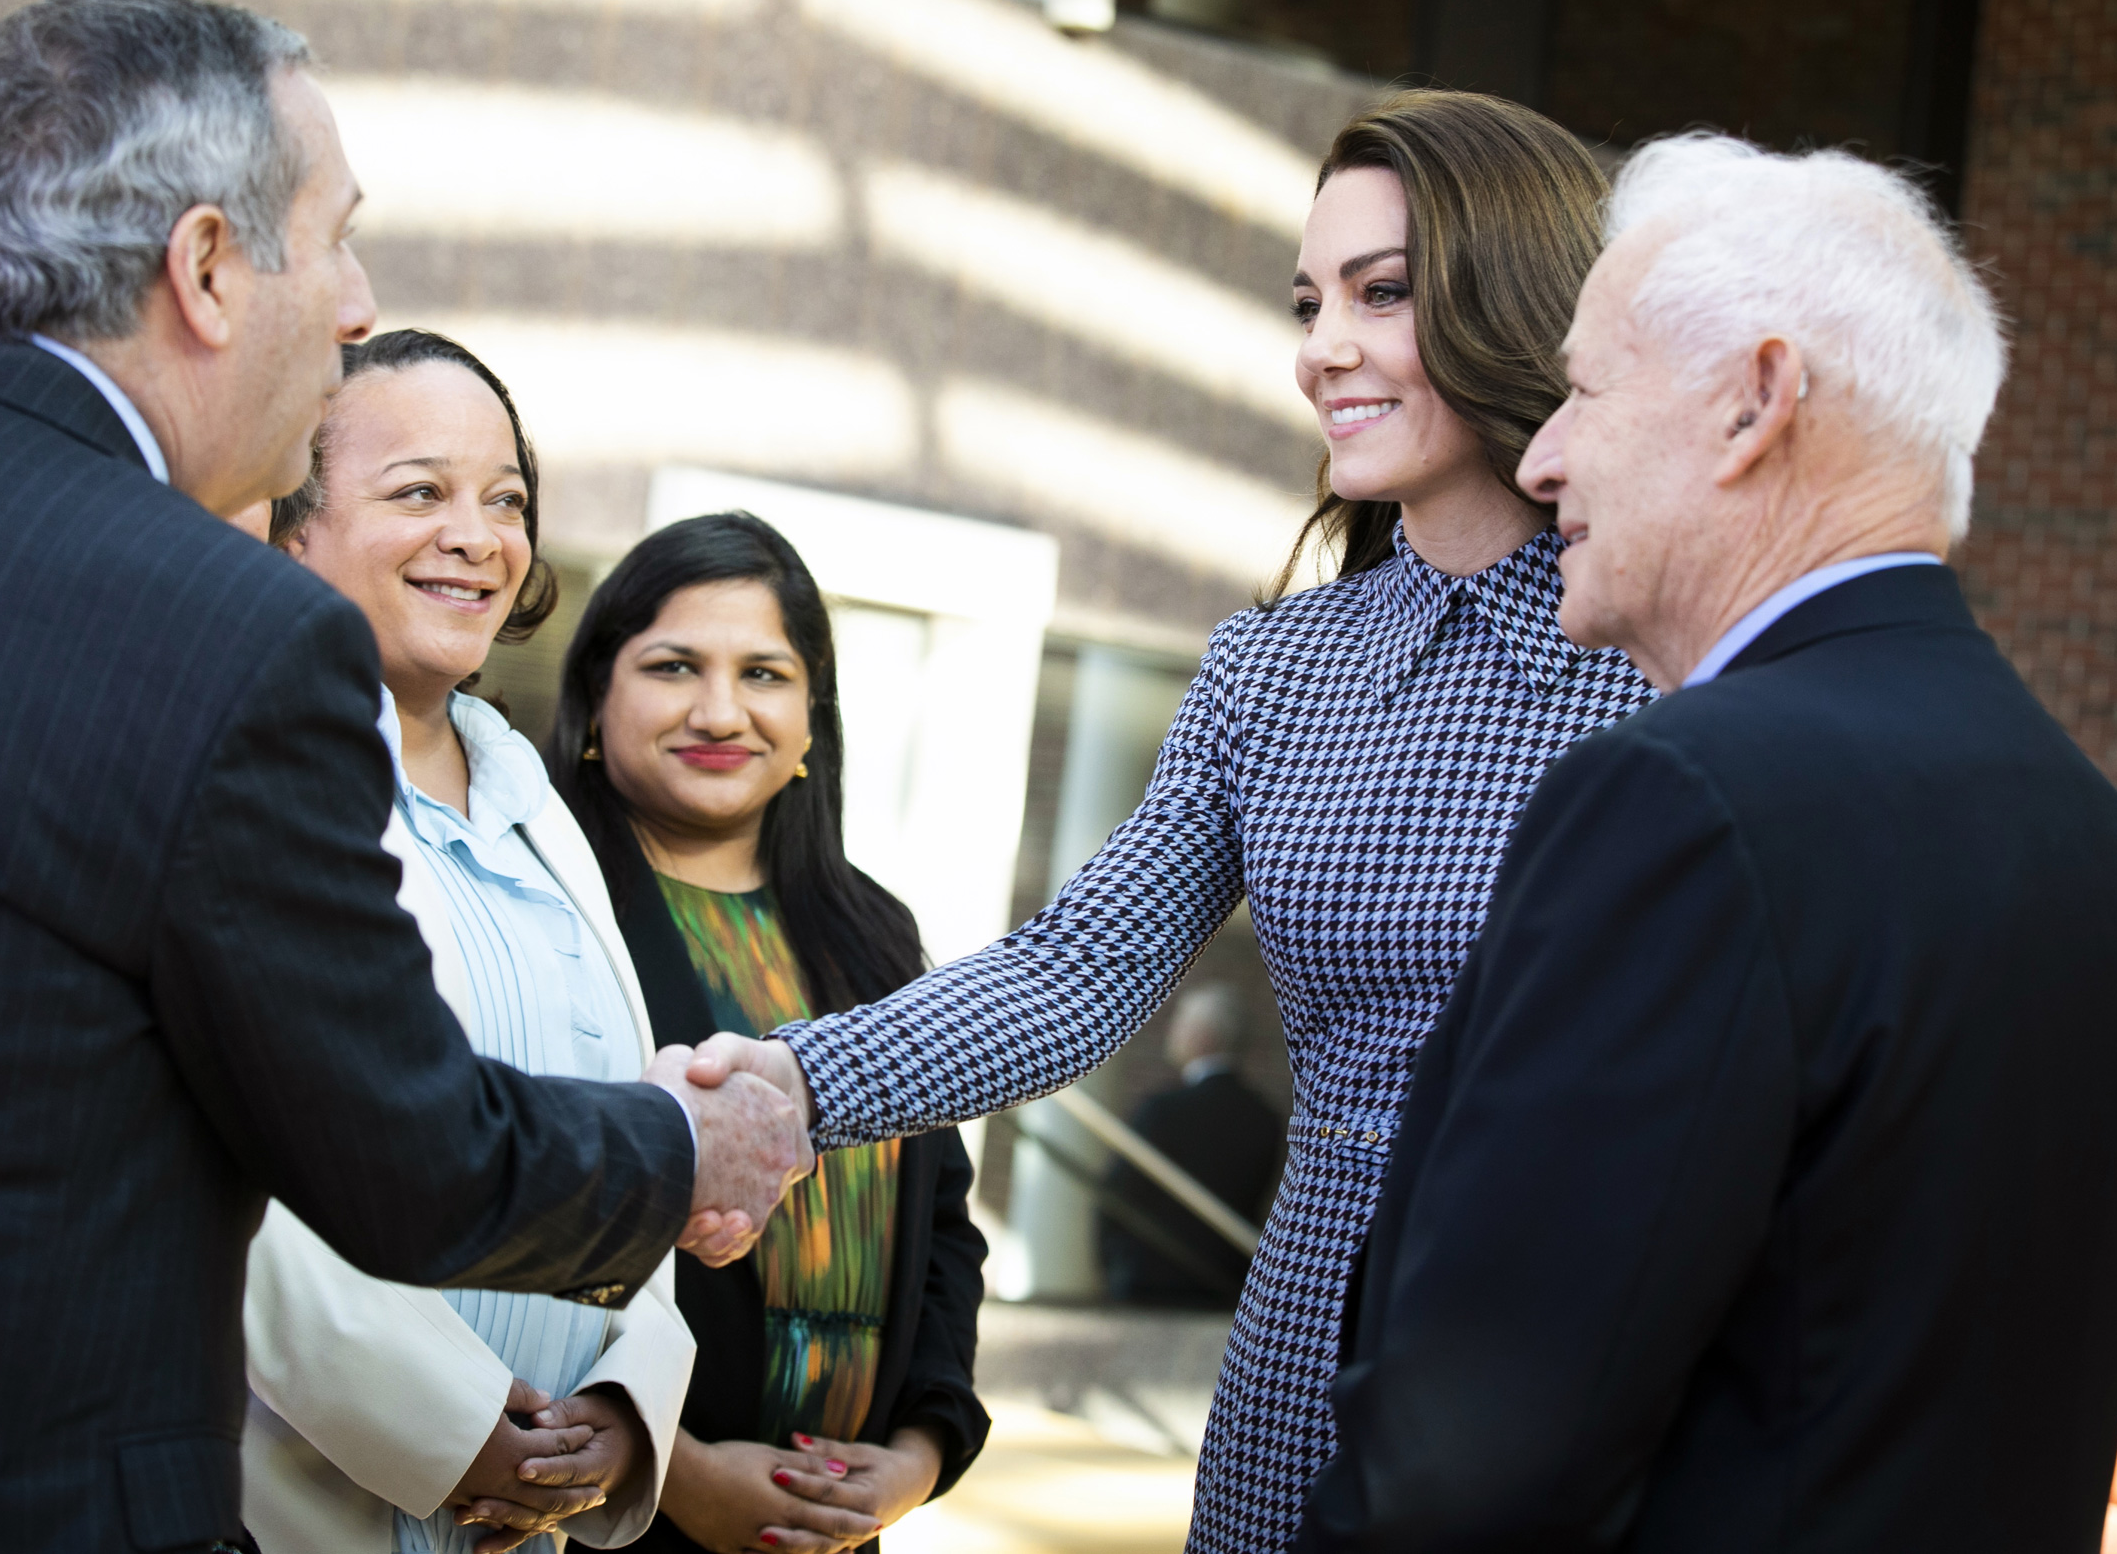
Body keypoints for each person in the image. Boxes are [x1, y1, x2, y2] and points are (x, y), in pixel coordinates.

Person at [0, 0, 806, 1552]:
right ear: (203, 268)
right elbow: (409, 1157)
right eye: (334, 240)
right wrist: (683, 1143)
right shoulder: (230, 635)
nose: (353, 303)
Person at [684, 89, 1659, 1552]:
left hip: (1583, 1333)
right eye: (1310, 298)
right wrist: (789, 1082)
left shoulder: (1665, 664)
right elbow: (1076, 971)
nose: (1323, 343)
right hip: (1310, 1337)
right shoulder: (1271, 669)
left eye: (1382, 294)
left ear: (1508, 303)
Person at [1291, 135, 2117, 1550]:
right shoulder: (2091, 836)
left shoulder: (1681, 801)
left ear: (1756, 401)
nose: (1546, 457)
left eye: (1583, 392)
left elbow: (1471, 1459)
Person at [238, 330, 695, 1554]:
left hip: (531, 1513)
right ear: (293, 527)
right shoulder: (246, 778)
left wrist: (624, 1402)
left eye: (505, 499)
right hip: (303, 1496)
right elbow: (238, 1182)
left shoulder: (540, 810)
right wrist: (452, 1430)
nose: (478, 535)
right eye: (418, 491)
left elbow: (617, 1124)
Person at [545, 514, 992, 1554]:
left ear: (808, 720)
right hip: (604, 1514)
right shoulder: (544, 906)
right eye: (672, 665)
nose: (720, 709)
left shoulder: (872, 933)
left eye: (763, 672)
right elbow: (506, 1217)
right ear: (596, 702)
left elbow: (942, 1229)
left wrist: (919, 1452)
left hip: (834, 1525)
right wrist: (676, 1470)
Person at [1098, 984, 1284, 1309]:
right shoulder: (1267, 1119)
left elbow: (1118, 1195)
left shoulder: (1162, 1110)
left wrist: (1115, 1266)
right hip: (1228, 1282)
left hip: (1149, 1284)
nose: (1173, 1033)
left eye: (1181, 1023)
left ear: (1203, 1036)